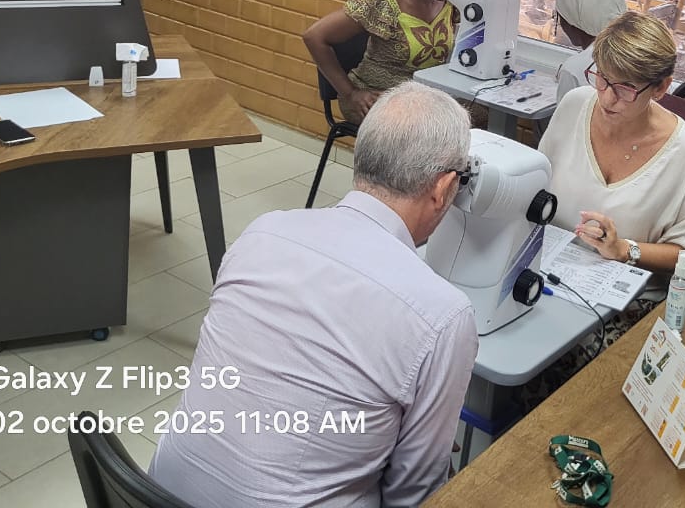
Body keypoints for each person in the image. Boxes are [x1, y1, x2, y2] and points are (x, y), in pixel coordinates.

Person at [149, 82, 477, 508]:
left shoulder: (263, 232)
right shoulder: (442, 316)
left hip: (156, 494)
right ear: (444, 187)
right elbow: (413, 494)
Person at [541, 11, 685, 284]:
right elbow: (535, 186)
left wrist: (623, 250)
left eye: (626, 88)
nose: (607, 98)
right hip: (551, 272)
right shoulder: (574, 105)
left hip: (626, 292)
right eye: (602, 78)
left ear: (660, 88)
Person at [303, 0, 468, 124]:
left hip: (423, 97)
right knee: (436, 126)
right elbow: (314, 36)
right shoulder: (383, 2)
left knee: (480, 114)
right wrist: (351, 93)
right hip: (376, 95)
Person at [552, 0, 628, 101]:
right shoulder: (630, 51)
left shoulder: (574, 70)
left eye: (560, 17)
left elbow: (565, 114)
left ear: (572, 22)